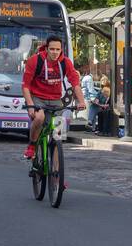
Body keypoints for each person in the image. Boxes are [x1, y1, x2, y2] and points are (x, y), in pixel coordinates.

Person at [22, 35, 86, 164]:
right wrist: (30, 105)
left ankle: (56, 177)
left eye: (58, 49)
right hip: (37, 98)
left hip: (56, 99)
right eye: (52, 49)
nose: (55, 52)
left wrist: (81, 101)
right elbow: (25, 86)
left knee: (58, 136)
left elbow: (75, 83)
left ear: (61, 49)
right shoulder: (35, 61)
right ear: (46, 48)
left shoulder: (65, 62)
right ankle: (32, 145)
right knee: (39, 118)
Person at [80, 65, 99, 130]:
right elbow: (90, 89)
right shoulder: (89, 78)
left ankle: (92, 127)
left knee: (92, 110)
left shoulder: (85, 77)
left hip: (85, 96)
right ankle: (92, 127)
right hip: (88, 97)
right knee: (93, 109)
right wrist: (96, 95)